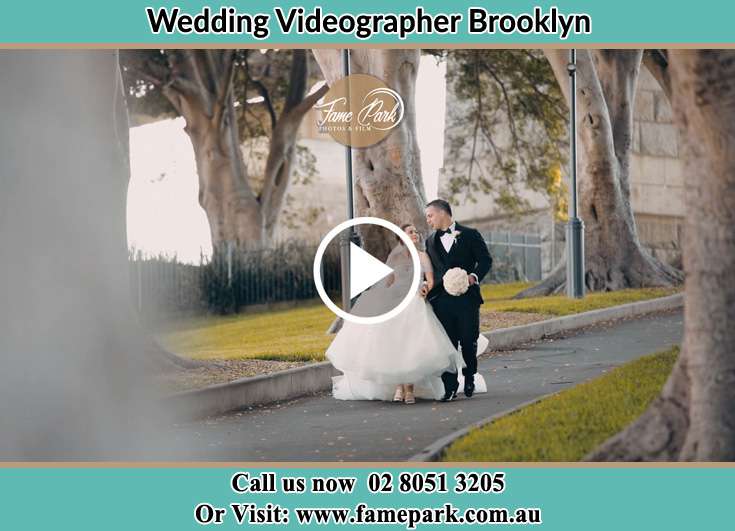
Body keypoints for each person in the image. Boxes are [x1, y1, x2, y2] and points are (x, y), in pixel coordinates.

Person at [326, 223, 488, 403]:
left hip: (414, 300)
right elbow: (388, 281)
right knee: (394, 342)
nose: (415, 234)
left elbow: (431, 279)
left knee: (410, 343)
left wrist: (426, 287)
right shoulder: (394, 257)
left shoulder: (422, 256)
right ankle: (398, 386)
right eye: (410, 231)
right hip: (396, 300)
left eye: (416, 231)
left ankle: (409, 389)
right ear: (401, 236)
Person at [422, 199, 493, 402]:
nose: (428, 220)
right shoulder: (430, 241)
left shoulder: (470, 234)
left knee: (468, 340)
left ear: (443, 213)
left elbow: (486, 260)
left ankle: (469, 375)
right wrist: (426, 287)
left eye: (430, 215)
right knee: (447, 344)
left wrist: (473, 277)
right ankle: (450, 387)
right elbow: (432, 272)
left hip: (467, 299)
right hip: (441, 301)